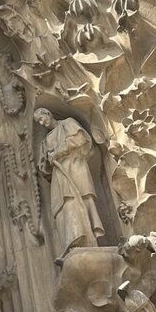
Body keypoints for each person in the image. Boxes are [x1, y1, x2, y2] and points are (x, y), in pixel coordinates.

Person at [34, 109, 104, 258]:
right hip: (59, 175)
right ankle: (72, 240)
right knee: (63, 205)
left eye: (42, 118)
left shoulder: (68, 123)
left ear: (48, 113)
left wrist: (58, 152)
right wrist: (46, 161)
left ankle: (87, 238)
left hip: (74, 167)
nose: (42, 122)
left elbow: (80, 139)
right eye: (39, 121)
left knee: (80, 198)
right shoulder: (46, 141)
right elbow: (44, 168)